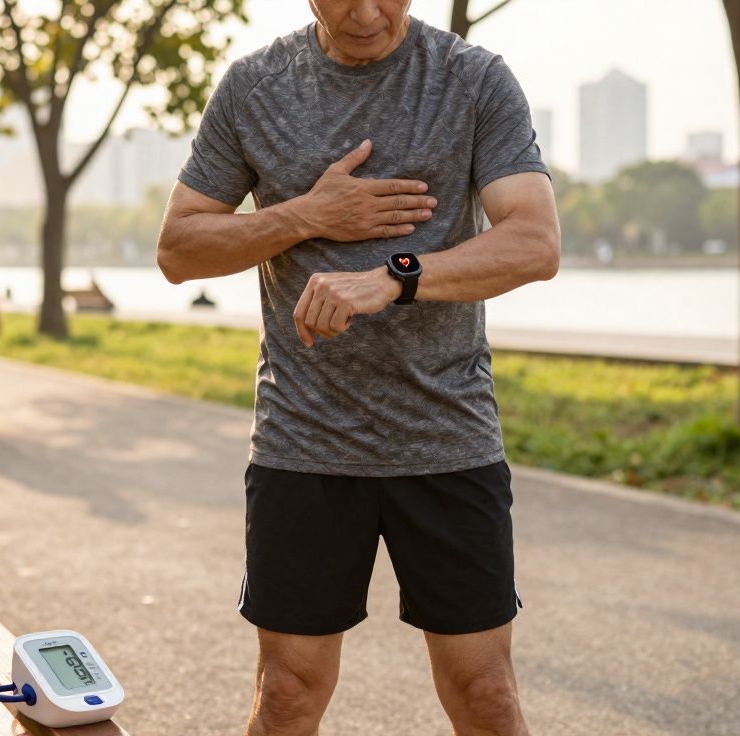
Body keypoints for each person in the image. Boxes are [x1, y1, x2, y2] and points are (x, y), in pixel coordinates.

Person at [156, 3, 560, 735]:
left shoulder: (472, 79)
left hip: (446, 440)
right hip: (304, 444)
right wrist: (306, 215)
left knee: (485, 696)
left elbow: (535, 242)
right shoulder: (256, 87)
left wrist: (394, 275)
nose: (368, 11)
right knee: (287, 693)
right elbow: (179, 250)